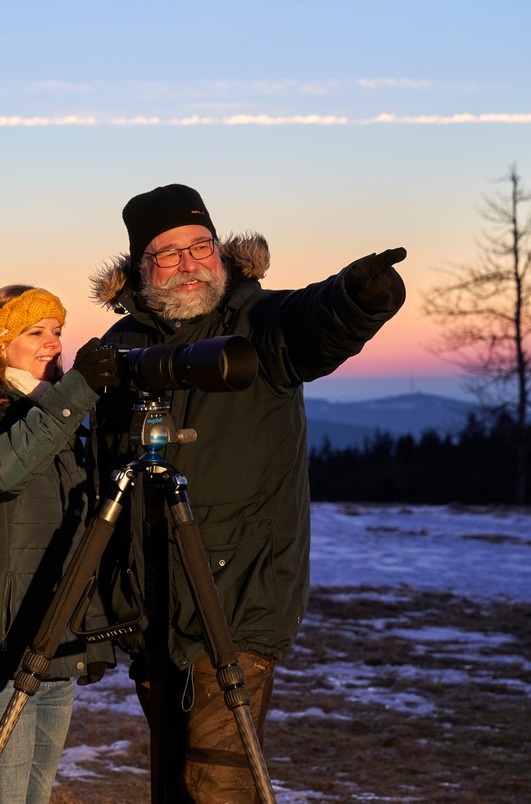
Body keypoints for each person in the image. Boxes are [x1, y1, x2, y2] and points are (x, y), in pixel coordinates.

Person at [90, 183, 407, 801]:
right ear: (139, 269)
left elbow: (314, 325)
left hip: (236, 602)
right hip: (149, 604)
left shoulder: (258, 325)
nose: (189, 264)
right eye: (168, 252)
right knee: (172, 782)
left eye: (200, 246)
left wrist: (355, 298)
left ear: (221, 251)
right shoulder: (122, 347)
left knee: (217, 787)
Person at [0, 285, 119, 803]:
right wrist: (74, 395)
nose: (51, 343)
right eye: (35, 332)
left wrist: (92, 634)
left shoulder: (58, 416)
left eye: (56, 331)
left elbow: (77, 535)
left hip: (51, 642)